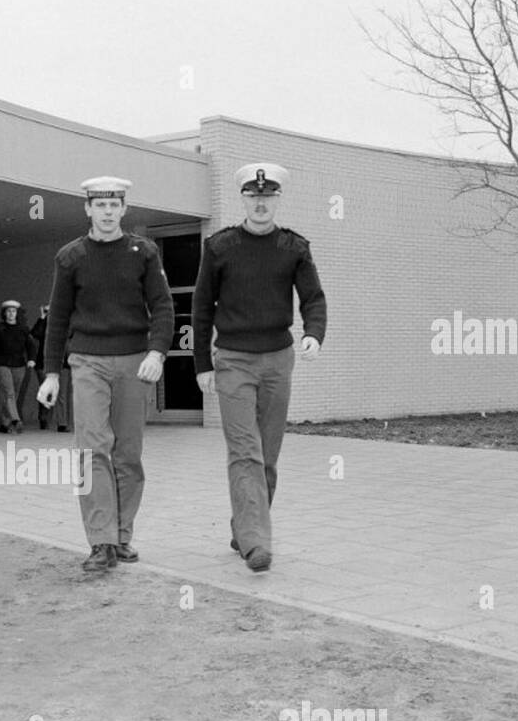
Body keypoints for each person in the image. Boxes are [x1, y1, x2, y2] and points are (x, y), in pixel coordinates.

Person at [192, 162, 327, 573]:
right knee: (245, 453)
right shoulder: (220, 247)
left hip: (277, 360)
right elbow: (200, 308)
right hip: (232, 360)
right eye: (254, 196)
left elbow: (313, 298)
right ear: (243, 199)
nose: (261, 203)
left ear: (277, 199)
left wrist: (314, 334)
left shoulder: (294, 249)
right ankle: (256, 543)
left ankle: (244, 526)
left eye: (268, 197)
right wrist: (202, 364)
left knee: (267, 455)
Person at [38, 176, 174, 574]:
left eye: (115, 205)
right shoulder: (71, 257)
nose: (108, 213)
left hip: (135, 361)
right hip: (87, 362)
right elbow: (58, 319)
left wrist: (158, 352)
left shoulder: (143, 253)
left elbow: (163, 306)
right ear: (88, 209)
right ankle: (101, 541)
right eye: (101, 206)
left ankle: (122, 536)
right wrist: (50, 374)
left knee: (127, 454)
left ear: (124, 208)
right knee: (91, 449)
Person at [0, 300, 37, 434]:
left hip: (19, 365)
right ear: (4, 313)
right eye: (8, 311)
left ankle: (4, 424)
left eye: (13, 311)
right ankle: (16, 420)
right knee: (9, 393)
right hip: (1, 364)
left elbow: (31, 346)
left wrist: (31, 359)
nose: (11, 313)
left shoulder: (23, 329)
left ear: (17, 313)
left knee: (12, 395)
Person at [30, 304, 71, 432]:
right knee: (45, 391)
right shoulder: (45, 325)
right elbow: (35, 334)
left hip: (62, 364)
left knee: (62, 394)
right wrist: (42, 317)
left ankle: (62, 424)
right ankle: (43, 420)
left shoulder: (65, 325)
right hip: (44, 363)